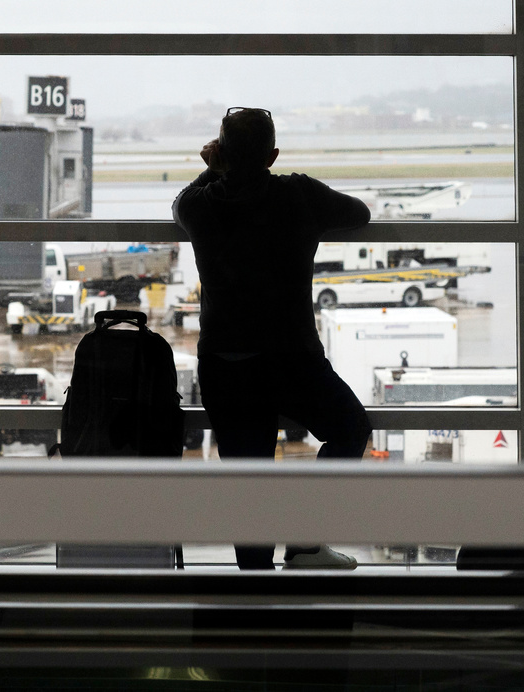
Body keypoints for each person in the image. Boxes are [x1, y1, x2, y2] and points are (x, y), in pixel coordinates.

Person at [172, 106, 372, 570]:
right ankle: (305, 540)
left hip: (227, 363)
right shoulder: (298, 194)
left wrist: (210, 170)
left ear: (220, 151)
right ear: (273, 154)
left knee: (249, 482)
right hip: (292, 358)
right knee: (351, 429)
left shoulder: (203, 205)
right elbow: (360, 213)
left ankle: (256, 586)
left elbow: (180, 203)